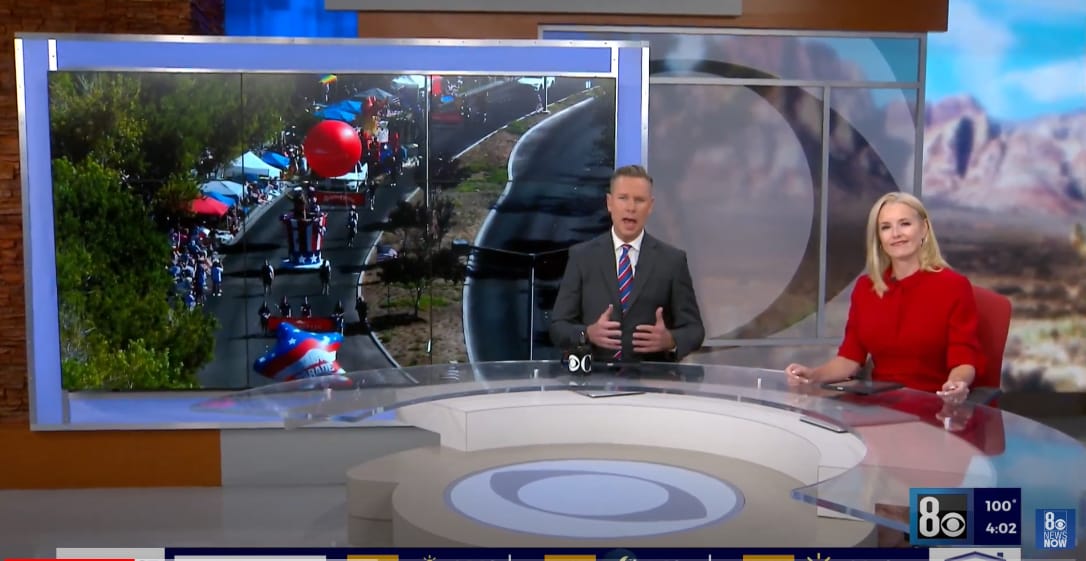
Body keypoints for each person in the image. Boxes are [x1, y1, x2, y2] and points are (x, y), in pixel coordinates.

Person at [784, 192, 983, 404]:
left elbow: (964, 359)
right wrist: (813, 375)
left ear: (923, 229)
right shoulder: (865, 289)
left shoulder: (952, 286)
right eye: (886, 227)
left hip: (933, 407)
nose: (896, 234)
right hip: (880, 407)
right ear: (879, 237)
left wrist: (957, 383)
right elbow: (850, 359)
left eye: (905, 224)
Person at [549, 165, 705, 363]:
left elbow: (695, 330)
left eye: (639, 200)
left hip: (652, 383)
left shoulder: (672, 261)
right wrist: (587, 333)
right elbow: (558, 327)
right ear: (609, 203)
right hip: (594, 382)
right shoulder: (582, 257)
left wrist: (670, 340)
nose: (631, 207)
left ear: (650, 206)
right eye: (623, 198)